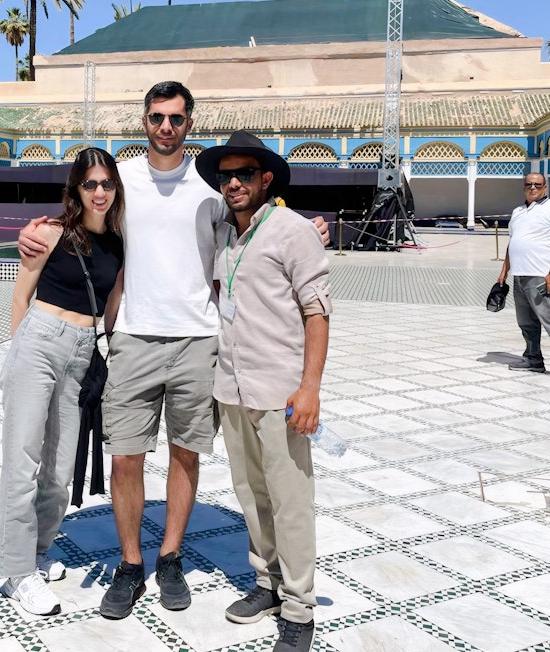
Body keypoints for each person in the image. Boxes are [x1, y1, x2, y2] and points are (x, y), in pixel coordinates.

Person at [18, 82, 330, 620]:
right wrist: (37, 230)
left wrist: (308, 224)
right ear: (144, 120)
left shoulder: (211, 188)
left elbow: (255, 222)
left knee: (187, 453)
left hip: (198, 340)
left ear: (189, 124)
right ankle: (131, 563)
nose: (166, 127)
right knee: (125, 457)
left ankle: (170, 558)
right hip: (134, 337)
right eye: (157, 117)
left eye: (177, 118)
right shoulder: (124, 179)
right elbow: (84, 211)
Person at [194, 131, 330, 652]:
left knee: (291, 499)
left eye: (244, 173)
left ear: (265, 178)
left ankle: (299, 607)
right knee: (251, 495)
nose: (233, 183)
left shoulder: (293, 231)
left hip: (280, 392)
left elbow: (317, 313)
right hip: (232, 388)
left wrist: (310, 388)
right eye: (227, 175)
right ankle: (267, 583)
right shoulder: (228, 236)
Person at [0, 147, 125, 617]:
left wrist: (109, 353)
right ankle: (16, 572)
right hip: (40, 341)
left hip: (82, 350)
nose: (99, 192)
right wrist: (17, 357)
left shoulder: (117, 243)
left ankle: (37, 550)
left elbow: (111, 307)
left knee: (59, 468)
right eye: (89, 184)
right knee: (22, 459)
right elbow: (20, 295)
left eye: (106, 183)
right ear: (75, 189)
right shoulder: (50, 233)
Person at [497, 172, 550, 380]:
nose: (533, 188)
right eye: (529, 184)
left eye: (537, 184)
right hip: (520, 274)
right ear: (524, 187)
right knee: (526, 321)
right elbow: (512, 243)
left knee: (549, 319)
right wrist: (504, 270)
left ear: (545, 187)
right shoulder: (518, 211)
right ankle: (533, 359)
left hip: (540, 275)